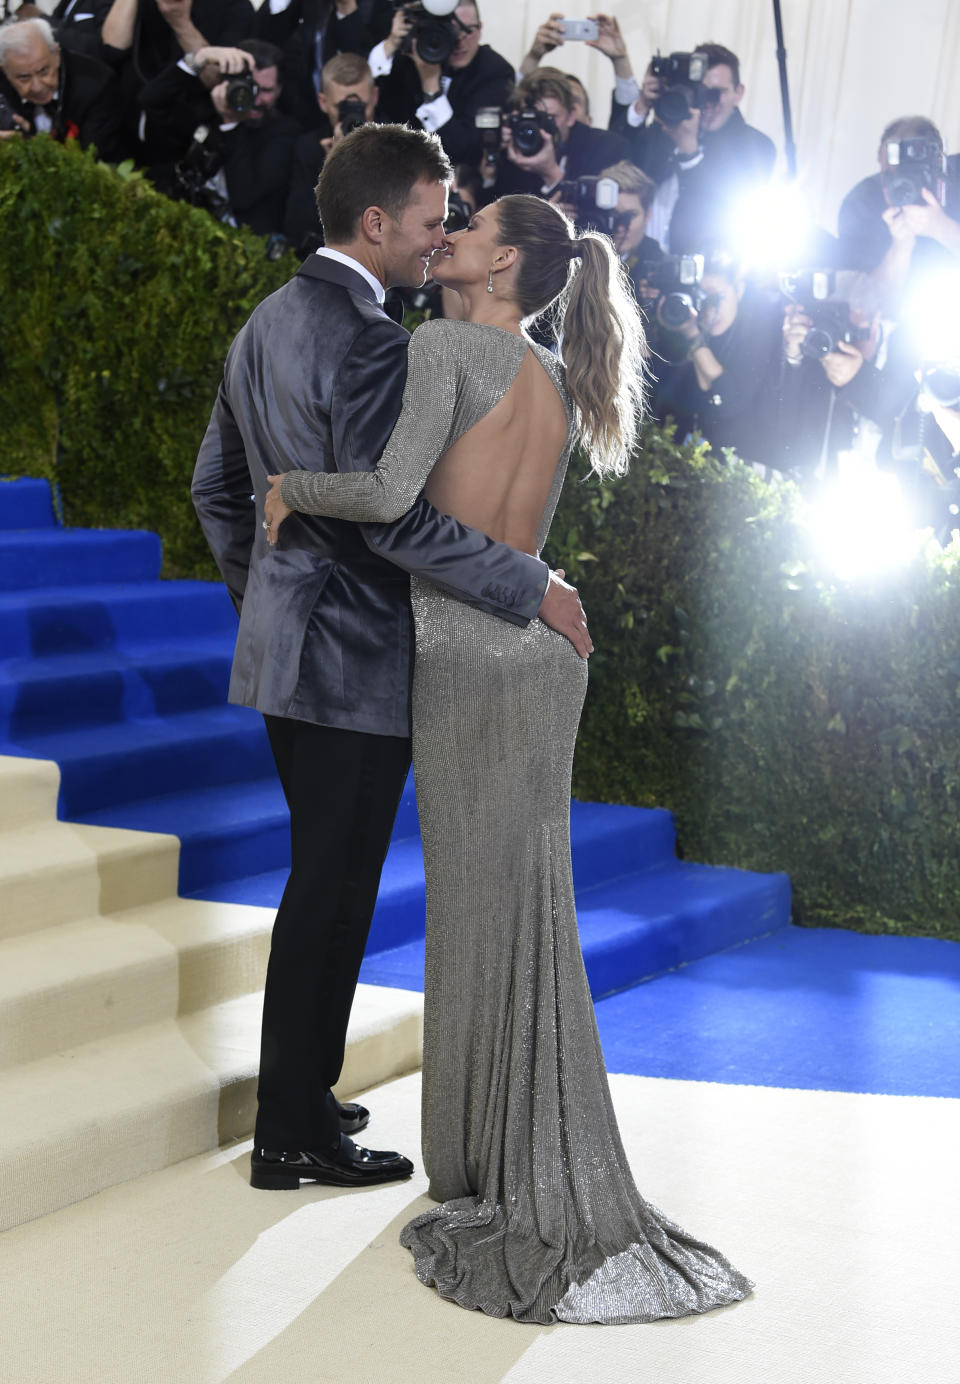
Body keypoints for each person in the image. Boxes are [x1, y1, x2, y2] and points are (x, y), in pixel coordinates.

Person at [263, 191, 753, 1323]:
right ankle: (534, 1155)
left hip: (468, 656)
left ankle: (494, 1171)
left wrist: (297, 488)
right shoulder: (546, 376)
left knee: (481, 915)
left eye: (472, 229)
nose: (451, 238)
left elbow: (390, 504)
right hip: (540, 656)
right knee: (529, 908)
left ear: (504, 267)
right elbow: (502, 533)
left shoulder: (445, 345)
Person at [191, 123, 591, 1194]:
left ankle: (305, 1091)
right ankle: (289, 1130)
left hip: (288, 656)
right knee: (333, 888)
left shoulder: (267, 318)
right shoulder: (378, 344)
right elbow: (396, 522)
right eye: (428, 221)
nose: (437, 239)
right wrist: (530, 583)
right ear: (377, 223)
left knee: (325, 875)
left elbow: (214, 491)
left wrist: (267, 597)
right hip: (357, 660)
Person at [139, 38, 300, 234]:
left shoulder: (284, 133)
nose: (254, 100)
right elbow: (151, 101)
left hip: (246, 245)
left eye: (266, 91)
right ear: (226, 82)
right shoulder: (207, 113)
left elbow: (242, 196)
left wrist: (231, 123)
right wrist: (198, 59)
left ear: (279, 90)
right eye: (248, 88)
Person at [369, 0, 512, 167]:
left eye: (468, 30)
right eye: (450, 30)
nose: (459, 40)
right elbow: (372, 102)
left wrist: (431, 85)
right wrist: (391, 43)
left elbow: (463, 150)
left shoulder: (495, 71)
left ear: (480, 30)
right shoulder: (413, 60)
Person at [0, 14, 128, 159]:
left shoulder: (97, 86)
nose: (37, 87)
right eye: (24, 77)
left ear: (56, 55)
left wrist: (29, 146)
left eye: (43, 71)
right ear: (5, 71)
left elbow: (92, 163)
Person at [254, 0, 392, 133]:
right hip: (305, 120)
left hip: (365, 125)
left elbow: (359, 68)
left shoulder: (379, 8)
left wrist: (347, 7)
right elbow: (265, 48)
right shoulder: (312, 4)